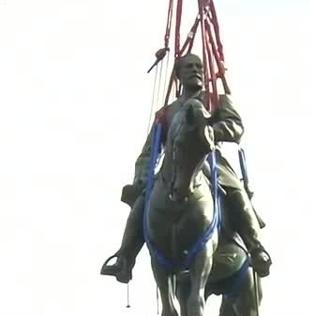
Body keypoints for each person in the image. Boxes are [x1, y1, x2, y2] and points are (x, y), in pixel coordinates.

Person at [98, 51, 272, 284]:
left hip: (210, 161)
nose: (196, 70)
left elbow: (235, 126)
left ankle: (256, 247)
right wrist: (142, 177)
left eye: (199, 66)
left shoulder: (215, 100)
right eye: (189, 67)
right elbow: (149, 151)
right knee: (142, 202)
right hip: (174, 166)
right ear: (178, 74)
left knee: (236, 193)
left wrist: (212, 131)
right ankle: (125, 258)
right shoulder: (166, 112)